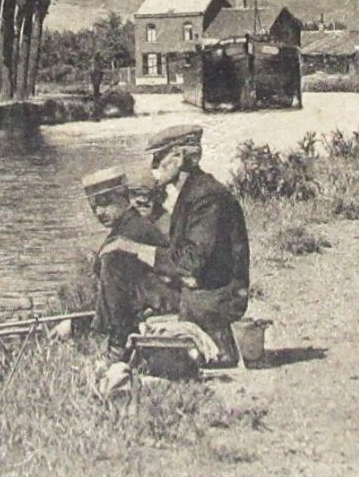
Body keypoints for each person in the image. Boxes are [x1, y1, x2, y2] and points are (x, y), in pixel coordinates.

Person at [96, 124, 251, 366]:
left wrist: (134, 248)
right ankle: (118, 341)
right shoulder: (193, 192)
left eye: (159, 157)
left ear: (178, 158)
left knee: (117, 264)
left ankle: (117, 349)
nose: (153, 166)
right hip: (202, 289)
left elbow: (190, 262)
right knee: (121, 267)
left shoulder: (207, 197)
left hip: (216, 298)